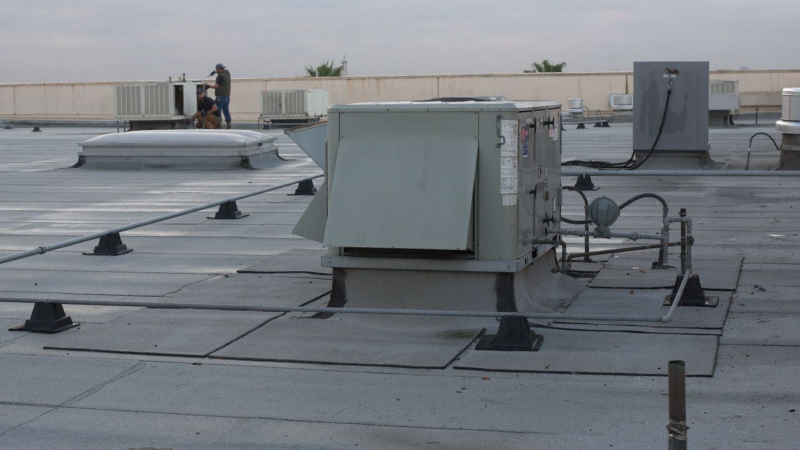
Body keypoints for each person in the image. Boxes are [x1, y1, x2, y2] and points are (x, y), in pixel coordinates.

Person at [206, 63, 232, 129]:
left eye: (216, 69)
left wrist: (209, 86)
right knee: (226, 110)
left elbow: (216, 86)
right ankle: (229, 124)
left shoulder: (220, 76)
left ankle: (219, 124)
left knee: (218, 110)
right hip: (227, 97)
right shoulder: (227, 73)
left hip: (220, 97)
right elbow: (222, 71)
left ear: (218, 69)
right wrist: (215, 72)